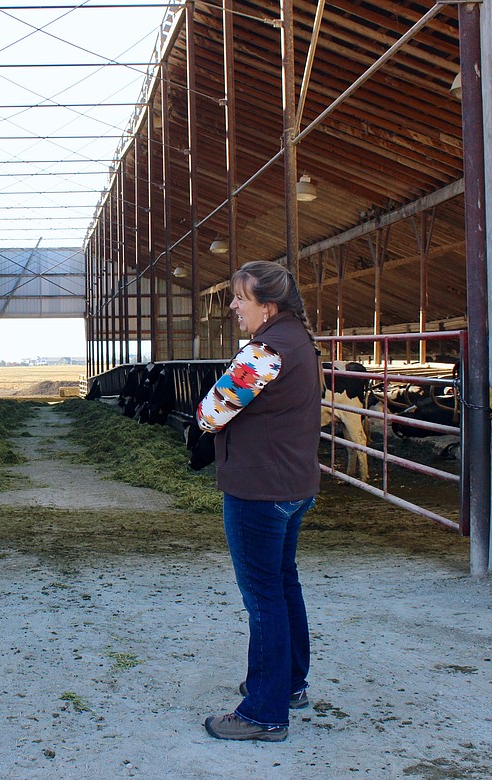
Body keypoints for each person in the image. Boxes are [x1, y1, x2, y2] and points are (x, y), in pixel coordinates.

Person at [196, 260, 321, 743]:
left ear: (266, 305)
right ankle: (288, 684)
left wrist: (206, 417)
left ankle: (264, 713)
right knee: (284, 585)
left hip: (259, 490)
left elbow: (211, 413)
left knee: (263, 597)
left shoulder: (264, 352)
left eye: (239, 298)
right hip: (294, 487)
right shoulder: (301, 343)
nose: (233, 306)